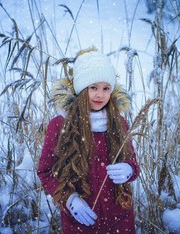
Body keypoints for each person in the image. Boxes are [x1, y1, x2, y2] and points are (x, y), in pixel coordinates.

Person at [37, 48, 140, 233]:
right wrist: (69, 199)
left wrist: (129, 170)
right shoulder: (60, 125)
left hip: (120, 220)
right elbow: (45, 171)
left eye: (106, 88)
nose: (100, 95)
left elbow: (133, 164)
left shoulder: (118, 122)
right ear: (82, 89)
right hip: (80, 222)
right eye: (93, 87)